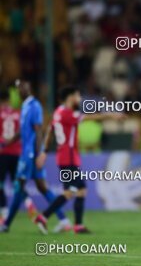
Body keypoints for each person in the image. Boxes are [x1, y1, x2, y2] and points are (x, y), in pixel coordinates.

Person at [34, 86, 124, 234]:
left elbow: (49, 131)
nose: (79, 98)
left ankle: (78, 225)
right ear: (70, 97)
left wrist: (44, 151)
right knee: (70, 192)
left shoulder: (57, 112)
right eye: (77, 95)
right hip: (68, 158)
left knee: (81, 189)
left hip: (65, 157)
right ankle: (43, 217)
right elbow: (89, 118)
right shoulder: (68, 114)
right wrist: (111, 115)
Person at [0, 80, 70, 233]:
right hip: (29, 153)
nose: (20, 91)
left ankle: (5, 225)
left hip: (29, 154)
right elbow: (23, 132)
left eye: (22, 88)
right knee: (42, 187)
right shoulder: (25, 106)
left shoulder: (34, 106)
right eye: (18, 89)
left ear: (28, 88)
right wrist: (7, 142)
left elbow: (38, 131)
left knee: (19, 186)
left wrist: (40, 153)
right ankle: (64, 221)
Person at [0, 88, 21, 221]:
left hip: (2, 153)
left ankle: (5, 212)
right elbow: (21, 131)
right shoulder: (18, 113)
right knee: (18, 185)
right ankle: (30, 208)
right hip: (17, 153)